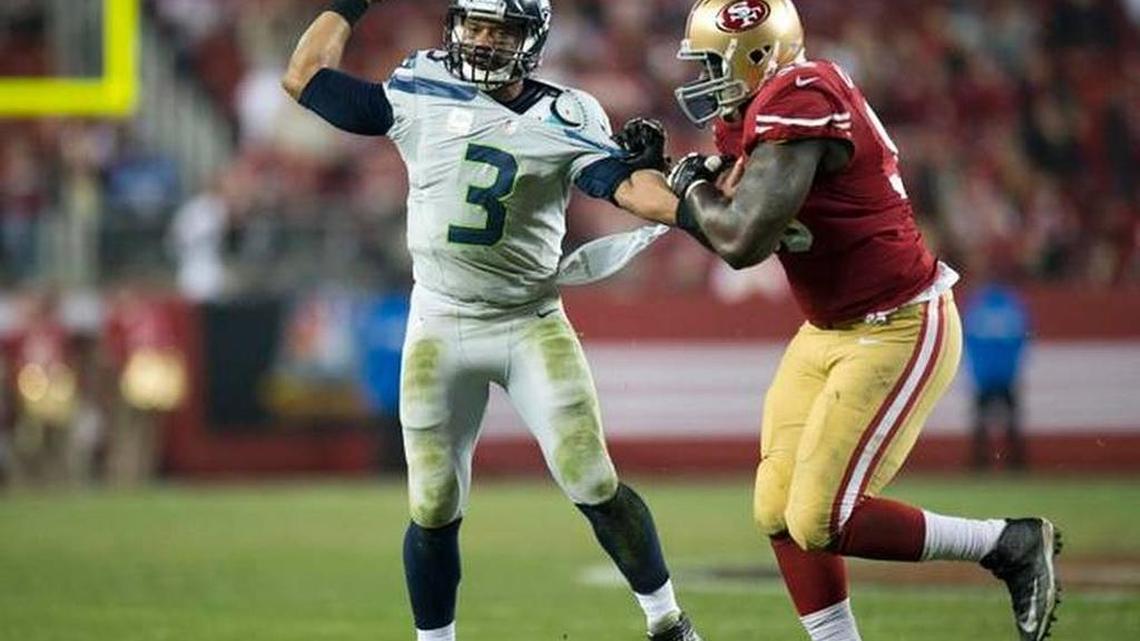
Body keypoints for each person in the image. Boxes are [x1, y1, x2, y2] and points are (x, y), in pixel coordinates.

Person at [281, 2, 697, 640]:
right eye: (473, 24)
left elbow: (622, 188)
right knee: (432, 503)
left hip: (528, 320)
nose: (479, 40)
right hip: (439, 322)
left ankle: (667, 622)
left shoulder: (568, 112)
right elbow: (304, 74)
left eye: (498, 29)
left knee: (592, 478)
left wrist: (691, 206)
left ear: (529, 40)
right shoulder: (420, 86)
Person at [663, 2, 1060, 640]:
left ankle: (1006, 544)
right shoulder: (761, 111)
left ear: (757, 54)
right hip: (828, 329)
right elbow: (720, 206)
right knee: (776, 506)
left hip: (897, 324)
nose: (706, 76)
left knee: (823, 516)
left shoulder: (801, 94)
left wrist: (688, 190)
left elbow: (739, 241)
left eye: (714, 60)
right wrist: (669, 176)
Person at [964, 283, 1030, 471]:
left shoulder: (977, 306)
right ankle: (1016, 465)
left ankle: (979, 464)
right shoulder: (1014, 306)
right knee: (1012, 422)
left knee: (980, 423)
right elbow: (1022, 340)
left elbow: (969, 341)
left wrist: (976, 371)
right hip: (1006, 374)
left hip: (984, 375)